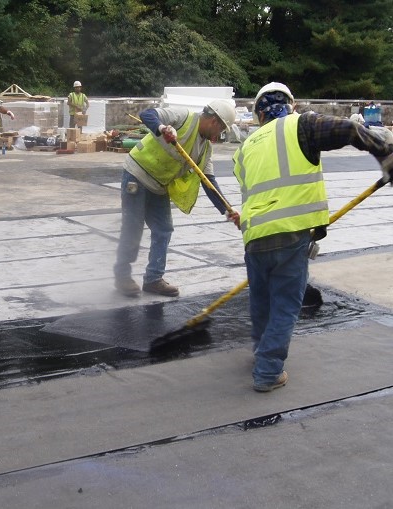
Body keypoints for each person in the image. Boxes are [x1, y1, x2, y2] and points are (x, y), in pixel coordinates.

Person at [231, 82, 393, 392]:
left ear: (259, 114)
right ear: (290, 105)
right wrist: (385, 152)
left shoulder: (244, 148)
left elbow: (253, 193)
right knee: (285, 304)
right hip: (291, 234)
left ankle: (261, 351)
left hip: (254, 237)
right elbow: (349, 129)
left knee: (262, 302)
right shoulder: (301, 125)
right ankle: (268, 372)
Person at [113, 100, 237, 298]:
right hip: (137, 174)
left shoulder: (205, 149)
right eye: (221, 130)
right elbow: (148, 114)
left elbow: (209, 182)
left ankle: (153, 279)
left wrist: (227, 209)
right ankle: (122, 276)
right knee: (133, 226)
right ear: (214, 121)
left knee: (163, 229)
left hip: (159, 185)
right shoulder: (184, 117)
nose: (218, 135)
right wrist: (163, 128)